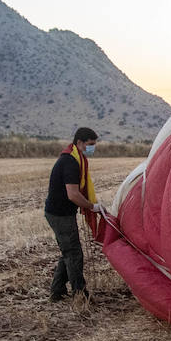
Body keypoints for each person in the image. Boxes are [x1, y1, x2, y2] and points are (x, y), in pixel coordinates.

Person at [44, 126, 103, 302]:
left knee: (67, 252)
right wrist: (92, 207)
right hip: (59, 214)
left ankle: (57, 292)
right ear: (79, 143)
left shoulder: (75, 159)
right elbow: (73, 194)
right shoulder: (70, 162)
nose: (92, 148)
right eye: (90, 144)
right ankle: (80, 293)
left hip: (60, 212)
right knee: (74, 253)